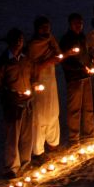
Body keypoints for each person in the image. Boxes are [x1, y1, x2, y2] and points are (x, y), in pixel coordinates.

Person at [0, 28, 34, 178]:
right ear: (9, 42)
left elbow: (32, 76)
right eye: (16, 40)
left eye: (21, 40)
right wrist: (11, 93)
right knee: (12, 135)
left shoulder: (25, 59)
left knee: (27, 133)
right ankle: (11, 167)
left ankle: (25, 161)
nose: (18, 43)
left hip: (27, 101)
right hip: (12, 104)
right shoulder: (2, 62)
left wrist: (34, 87)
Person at [27, 16, 62, 161]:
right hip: (39, 81)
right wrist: (49, 61)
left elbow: (58, 55)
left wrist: (56, 59)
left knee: (53, 111)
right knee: (39, 116)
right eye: (43, 27)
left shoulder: (51, 39)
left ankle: (53, 142)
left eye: (47, 27)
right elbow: (32, 67)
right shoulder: (33, 45)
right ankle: (38, 150)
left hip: (51, 81)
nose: (46, 30)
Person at [59, 13, 94, 146]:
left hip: (86, 76)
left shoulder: (82, 37)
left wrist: (91, 63)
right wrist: (81, 69)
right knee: (74, 109)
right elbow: (65, 61)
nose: (79, 26)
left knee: (88, 106)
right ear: (70, 24)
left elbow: (87, 54)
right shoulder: (65, 40)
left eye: (80, 23)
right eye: (76, 23)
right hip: (74, 78)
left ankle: (90, 133)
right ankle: (74, 138)